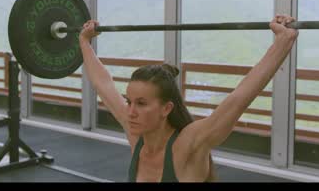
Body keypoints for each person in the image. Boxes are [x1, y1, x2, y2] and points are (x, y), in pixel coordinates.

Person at [78, 14, 298, 182]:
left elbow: (240, 97)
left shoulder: (188, 144)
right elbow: (103, 84)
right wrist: (84, 43)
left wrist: (283, 42)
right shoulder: (138, 135)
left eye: (142, 103)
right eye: (129, 101)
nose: (131, 111)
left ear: (166, 109)